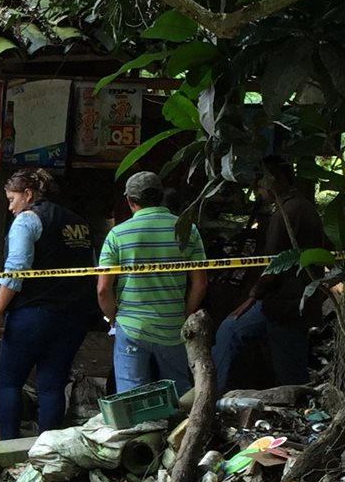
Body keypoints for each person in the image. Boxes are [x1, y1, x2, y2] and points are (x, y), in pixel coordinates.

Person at [0, 168, 95, 439]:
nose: (10, 207)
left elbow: (16, 270)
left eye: (12, 199)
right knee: (51, 386)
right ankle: (48, 452)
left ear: (28, 194)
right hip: (74, 316)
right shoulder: (79, 223)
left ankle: (8, 450)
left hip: (32, 314)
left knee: (9, 382)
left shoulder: (27, 220)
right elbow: (93, 268)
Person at [211, 155, 326, 391]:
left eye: (259, 186)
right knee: (232, 331)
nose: (257, 192)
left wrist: (252, 297)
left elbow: (273, 266)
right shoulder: (304, 207)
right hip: (297, 300)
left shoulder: (284, 214)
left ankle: (214, 392)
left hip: (284, 304)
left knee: (289, 371)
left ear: (272, 182)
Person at [97, 171, 208, 395]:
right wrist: (183, 314)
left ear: (130, 201)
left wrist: (113, 317)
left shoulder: (118, 234)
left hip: (131, 326)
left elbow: (103, 289)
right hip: (172, 325)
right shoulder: (187, 230)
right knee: (179, 393)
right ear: (160, 196)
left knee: (131, 397)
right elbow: (201, 283)